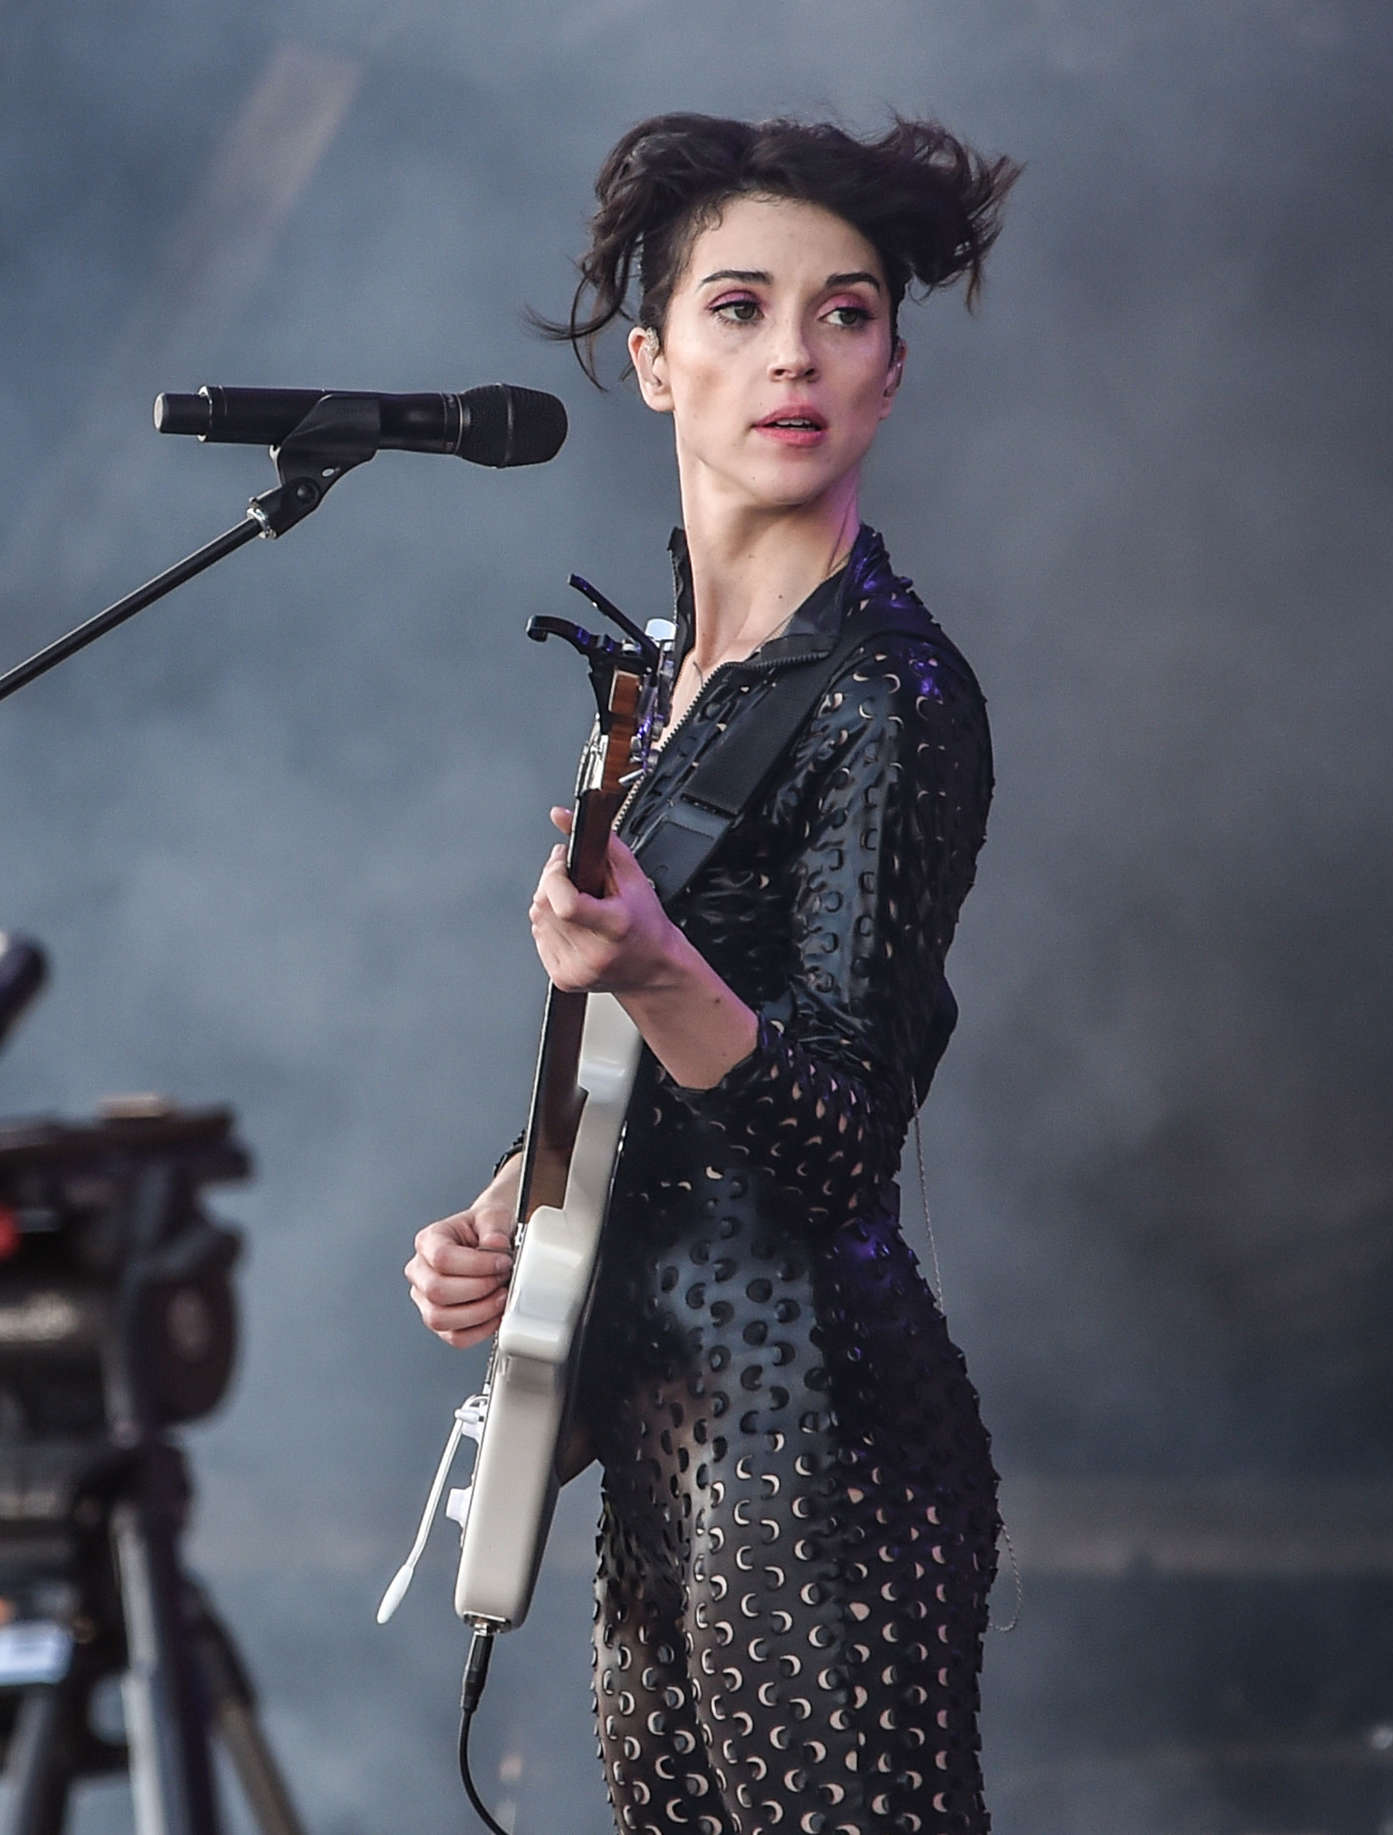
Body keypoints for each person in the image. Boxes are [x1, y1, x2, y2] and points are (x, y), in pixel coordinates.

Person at [405, 112, 1020, 1835]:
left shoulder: (887, 701)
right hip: (666, 1430)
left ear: (891, 369)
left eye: (842, 314)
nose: (792, 355)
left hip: (810, 1423)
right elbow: (648, 1094)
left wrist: (656, 962)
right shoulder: (670, 687)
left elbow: (835, 1149)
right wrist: (508, 1205)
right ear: (653, 360)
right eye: (739, 308)